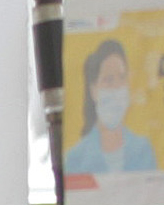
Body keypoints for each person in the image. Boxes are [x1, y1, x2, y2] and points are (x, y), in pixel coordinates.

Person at [61, 38, 158, 178]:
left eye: (122, 78)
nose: (117, 87)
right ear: (94, 90)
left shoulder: (143, 149)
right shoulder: (76, 158)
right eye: (108, 80)